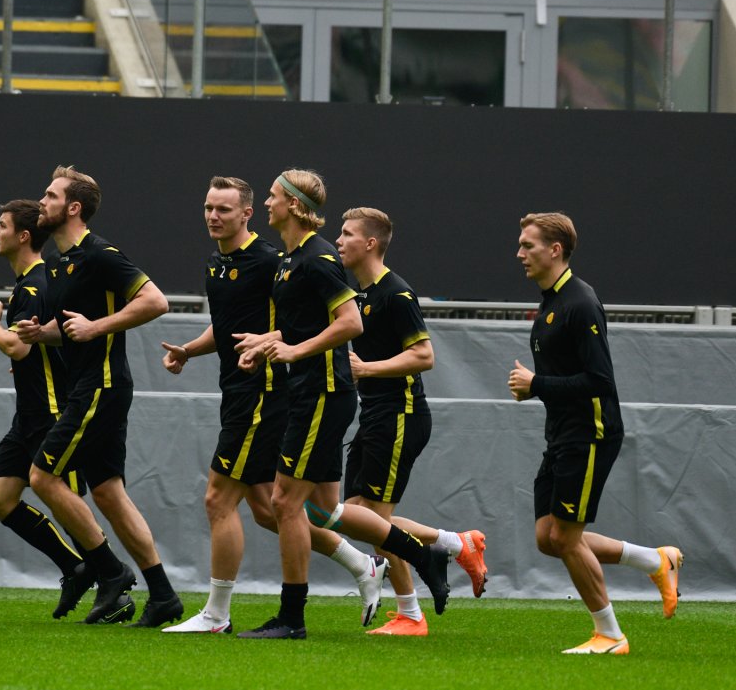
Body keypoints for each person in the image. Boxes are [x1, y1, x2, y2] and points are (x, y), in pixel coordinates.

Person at [231, 170, 485, 640]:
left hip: (326, 395)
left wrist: (294, 352)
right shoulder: (292, 259)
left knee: (284, 502)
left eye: (271, 196)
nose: (265, 203)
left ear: (292, 202)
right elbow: (309, 325)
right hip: (327, 394)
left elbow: (350, 324)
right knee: (327, 511)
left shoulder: (319, 258)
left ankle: (293, 618)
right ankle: (427, 552)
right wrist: (266, 341)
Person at [158, 177, 389, 635]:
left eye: (224, 209)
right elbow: (226, 329)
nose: (212, 216)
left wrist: (290, 352)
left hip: (264, 395)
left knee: (218, 497)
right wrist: (188, 349)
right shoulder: (216, 263)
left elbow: (305, 322)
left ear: (246, 215)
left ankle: (216, 615)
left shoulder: (272, 261)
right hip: (238, 390)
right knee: (269, 510)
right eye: (208, 207)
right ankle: (363, 564)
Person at [508, 212, 683, 655]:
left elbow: (600, 380)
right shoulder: (550, 303)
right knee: (548, 538)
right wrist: (536, 389)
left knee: (565, 539)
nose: (520, 254)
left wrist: (537, 385)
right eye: (520, 244)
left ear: (555, 250)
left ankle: (610, 634)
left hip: (590, 434)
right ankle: (654, 559)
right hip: (562, 433)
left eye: (528, 245)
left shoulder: (579, 302)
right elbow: (565, 377)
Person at [15, 166, 182, 628]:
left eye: (49, 196)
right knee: (108, 493)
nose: (41, 203)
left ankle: (110, 572)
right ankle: (164, 596)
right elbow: (67, 330)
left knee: (43, 476)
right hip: (87, 386)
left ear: (73, 208)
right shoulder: (58, 262)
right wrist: (41, 332)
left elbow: (156, 301)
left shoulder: (101, 253)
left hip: (102, 386)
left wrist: (96, 327)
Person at [336, 207, 478, 636]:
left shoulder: (396, 294)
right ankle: (454, 543)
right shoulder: (357, 295)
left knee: (375, 522)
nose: (338, 241)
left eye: (346, 234)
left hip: (401, 414)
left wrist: (367, 369)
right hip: (376, 415)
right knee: (354, 514)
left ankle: (412, 615)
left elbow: (424, 356)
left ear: (370, 243)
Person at [0, 199, 94, 619]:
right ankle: (76, 568)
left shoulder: (33, 286)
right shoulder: (31, 282)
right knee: (0, 498)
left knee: (68, 501)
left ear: (23, 236)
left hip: (50, 411)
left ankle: (113, 583)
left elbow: (18, 345)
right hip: (27, 414)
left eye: (1, 225)